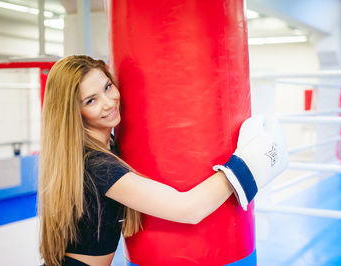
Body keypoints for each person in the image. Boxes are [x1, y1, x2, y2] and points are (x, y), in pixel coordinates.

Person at [38, 55, 288, 266]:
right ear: (73, 112)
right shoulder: (97, 165)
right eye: (91, 100)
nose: (108, 102)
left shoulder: (102, 149)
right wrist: (246, 165)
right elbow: (188, 209)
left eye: (107, 87)